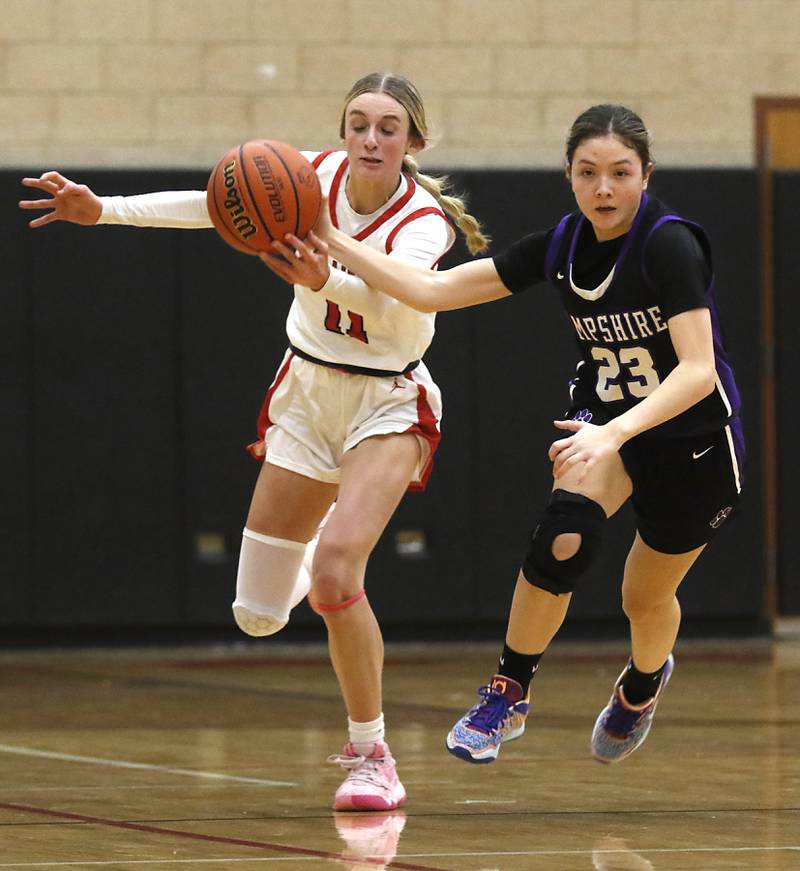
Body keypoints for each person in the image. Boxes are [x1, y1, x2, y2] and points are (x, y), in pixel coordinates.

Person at [18, 71, 489, 809]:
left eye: (388, 127)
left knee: (336, 575)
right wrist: (100, 209)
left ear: (413, 142)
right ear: (342, 132)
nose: (370, 138)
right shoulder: (310, 176)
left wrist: (325, 273)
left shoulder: (425, 221)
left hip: (389, 397)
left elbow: (398, 302)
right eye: (358, 122)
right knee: (258, 614)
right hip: (305, 392)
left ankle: (372, 755)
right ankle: (318, 549)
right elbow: (214, 205)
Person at [292, 103, 744, 766]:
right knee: (563, 538)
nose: (604, 188)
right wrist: (335, 241)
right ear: (569, 175)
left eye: (621, 172)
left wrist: (615, 433)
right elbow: (432, 290)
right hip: (605, 424)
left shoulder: (669, 244)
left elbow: (699, 371)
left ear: (646, 175)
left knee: (643, 598)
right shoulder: (562, 245)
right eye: (588, 172)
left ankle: (644, 684)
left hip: (691, 437)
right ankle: (507, 692)